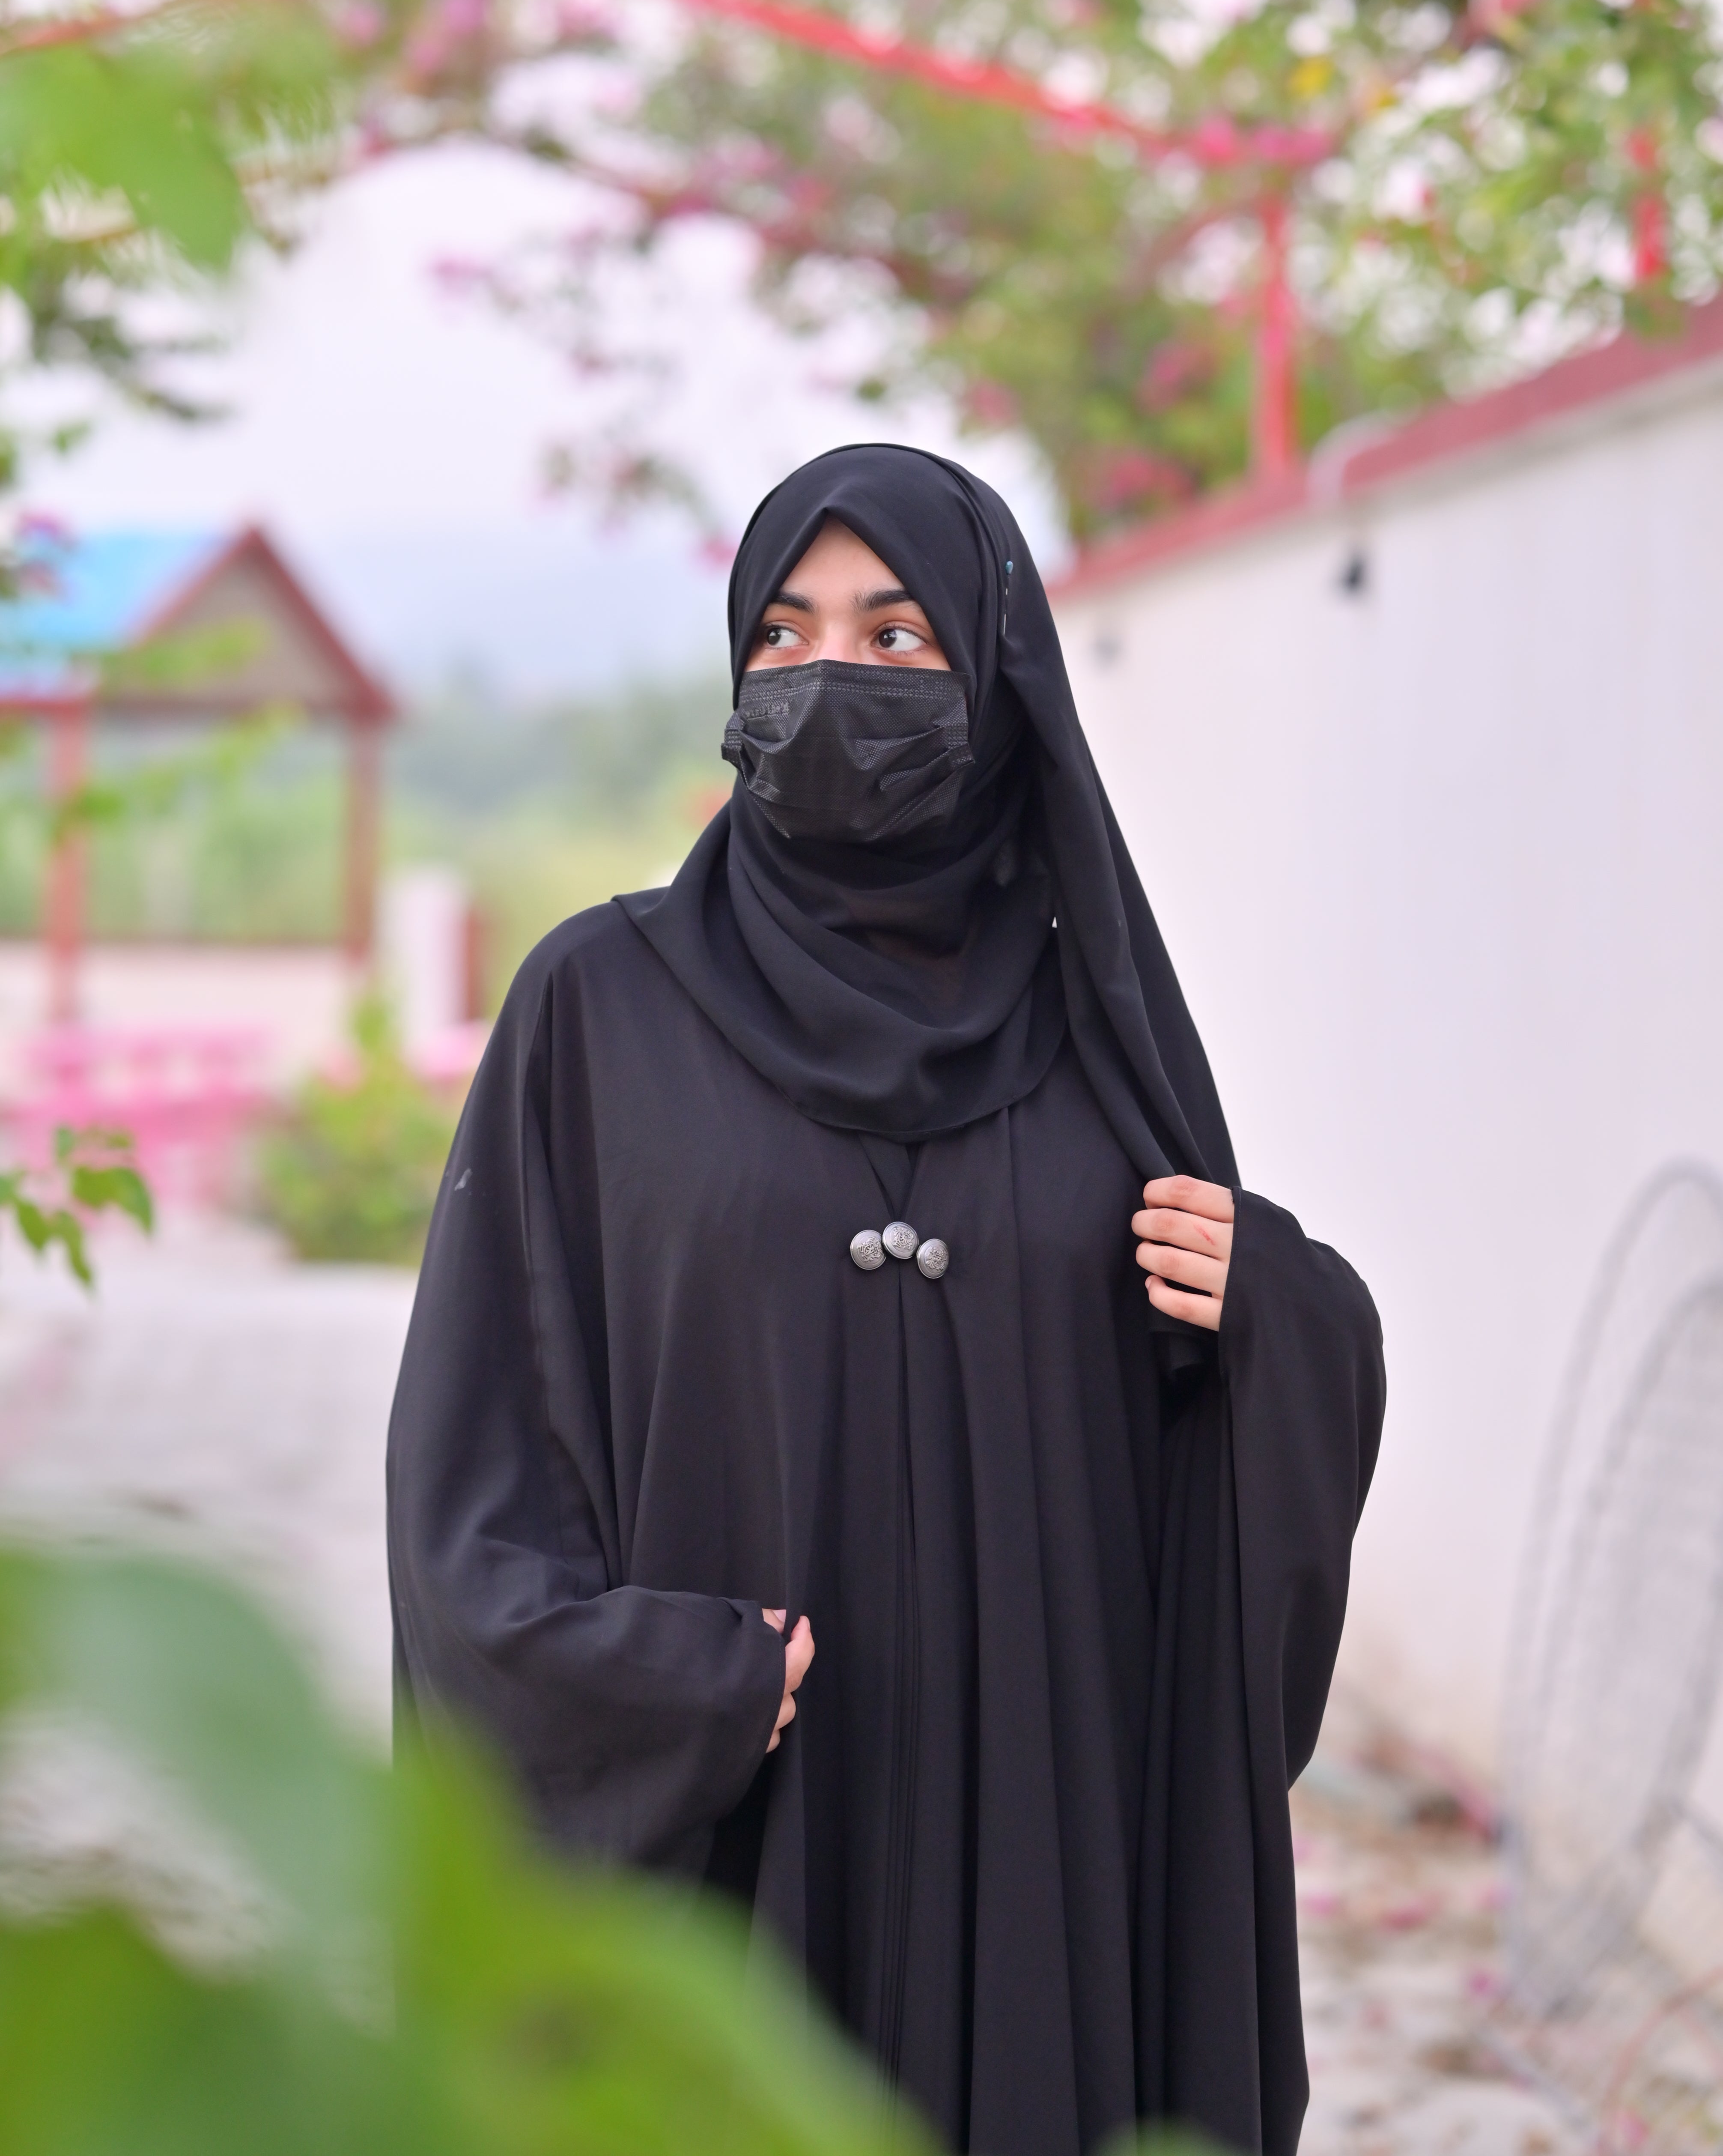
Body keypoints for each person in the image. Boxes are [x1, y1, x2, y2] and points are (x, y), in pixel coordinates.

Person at [387, 444, 1386, 2156]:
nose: (827, 676)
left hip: (1041, 1841)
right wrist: (661, 1685)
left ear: (996, 682)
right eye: (783, 635)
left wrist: (1277, 1316)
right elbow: (473, 1471)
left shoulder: (1093, 1026)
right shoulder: (597, 1013)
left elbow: (1216, 1456)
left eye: (894, 634)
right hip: (737, 1844)